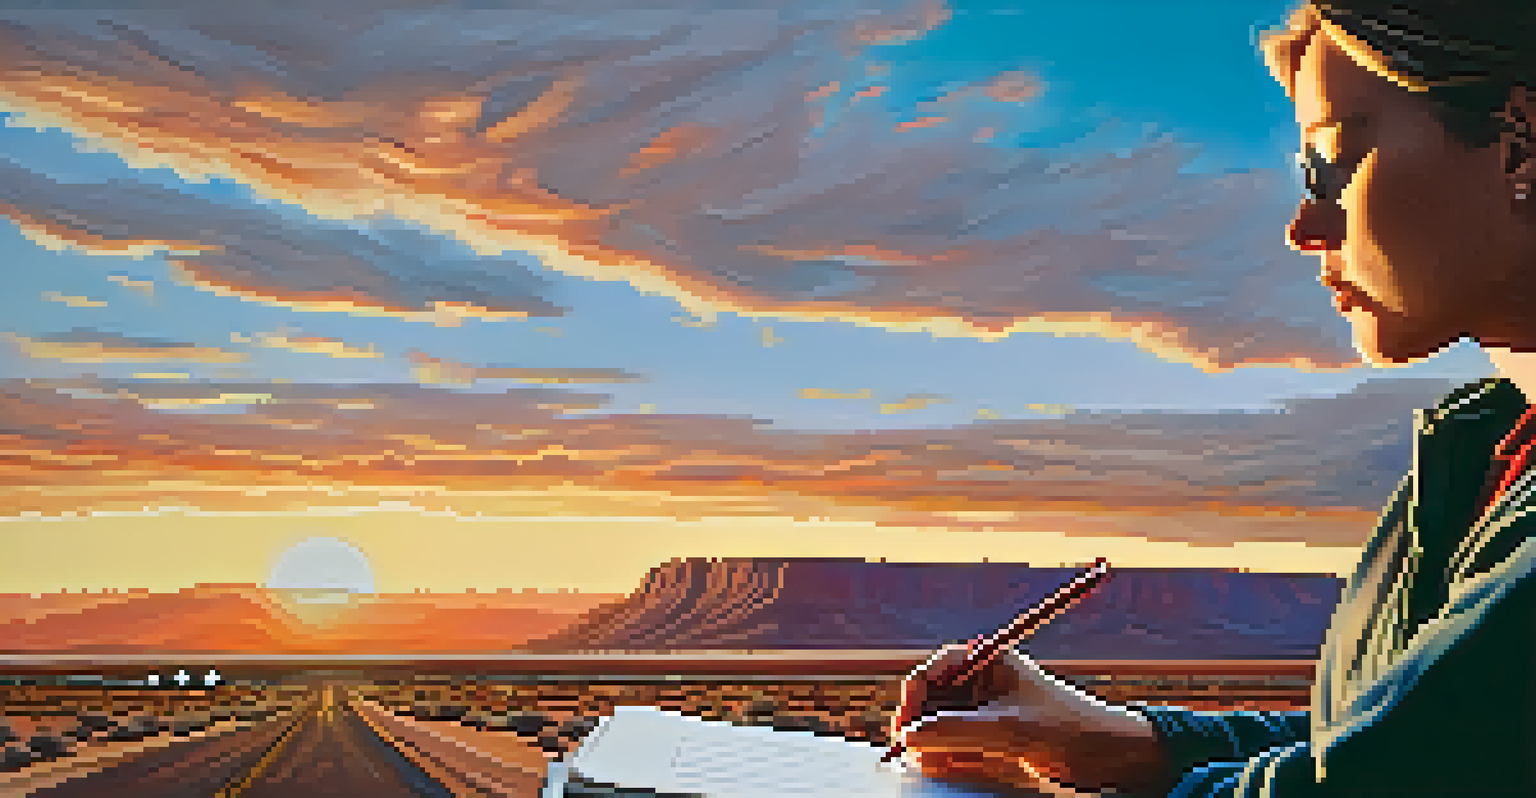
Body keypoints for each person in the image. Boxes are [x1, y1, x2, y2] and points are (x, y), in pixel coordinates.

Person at [893, 2, 1536, 795]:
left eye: (1332, 161)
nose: (1305, 225)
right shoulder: (1477, 448)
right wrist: (1127, 743)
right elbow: (1407, 747)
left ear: (1517, 143)